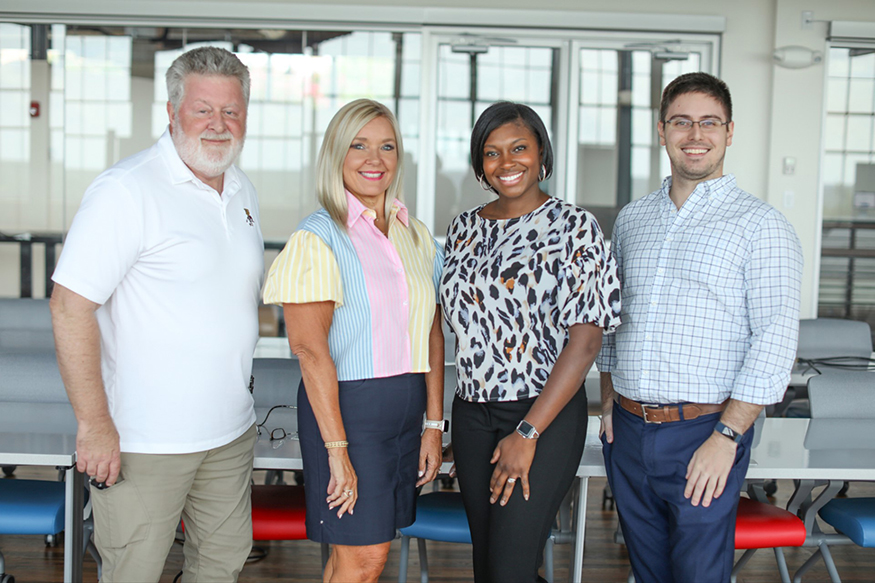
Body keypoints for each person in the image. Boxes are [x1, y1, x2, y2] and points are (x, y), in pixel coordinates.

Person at [49, 47, 262, 582]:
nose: (219, 124)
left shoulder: (241, 188)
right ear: (172, 112)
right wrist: (95, 426)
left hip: (229, 434)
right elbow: (70, 307)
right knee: (133, 573)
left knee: (220, 565)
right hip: (144, 442)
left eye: (231, 111)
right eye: (203, 109)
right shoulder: (127, 190)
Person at [596, 72, 804, 583]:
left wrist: (728, 436)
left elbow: (775, 339)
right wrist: (606, 400)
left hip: (705, 432)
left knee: (697, 574)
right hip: (627, 429)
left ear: (730, 132)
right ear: (661, 129)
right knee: (648, 572)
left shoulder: (761, 224)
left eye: (709, 122)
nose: (695, 134)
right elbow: (611, 317)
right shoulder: (632, 219)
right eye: (682, 122)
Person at [262, 99, 445, 583]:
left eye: (387, 146)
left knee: (368, 555)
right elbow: (308, 350)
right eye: (359, 145)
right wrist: (336, 450)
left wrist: (433, 423)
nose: (375, 158)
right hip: (349, 413)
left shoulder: (415, 234)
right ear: (336, 155)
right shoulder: (319, 237)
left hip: (407, 405)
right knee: (362, 559)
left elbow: (430, 330)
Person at [441, 101, 621, 583]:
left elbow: (584, 343)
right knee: (490, 564)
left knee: (510, 567)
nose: (507, 162)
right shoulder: (462, 230)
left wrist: (526, 433)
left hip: (542, 414)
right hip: (472, 414)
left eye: (519, 147)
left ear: (542, 152)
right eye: (492, 152)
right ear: (480, 164)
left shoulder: (575, 227)